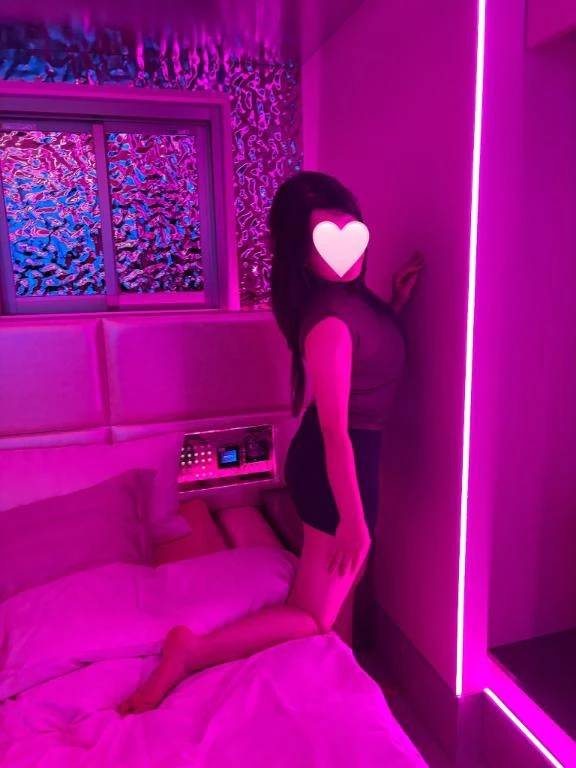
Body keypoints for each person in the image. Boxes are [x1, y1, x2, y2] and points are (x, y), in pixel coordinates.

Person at [117, 170, 422, 716]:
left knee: (340, 584)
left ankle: (342, 675)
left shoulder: (356, 303)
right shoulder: (329, 323)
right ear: (303, 256)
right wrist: (354, 519)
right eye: (323, 240)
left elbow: (370, 366)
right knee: (313, 612)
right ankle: (193, 652)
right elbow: (334, 431)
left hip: (351, 456)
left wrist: (395, 305)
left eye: (348, 229)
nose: (343, 249)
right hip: (335, 462)